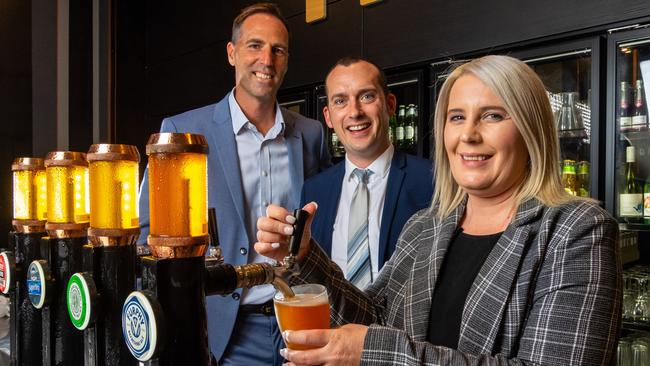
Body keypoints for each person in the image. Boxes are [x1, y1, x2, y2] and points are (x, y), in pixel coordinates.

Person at [256, 55, 621, 365]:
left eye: (492, 116)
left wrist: (378, 353)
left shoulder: (577, 230)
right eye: (457, 117)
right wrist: (305, 256)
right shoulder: (426, 226)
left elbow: (375, 345)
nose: (469, 135)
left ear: (531, 128)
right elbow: (374, 319)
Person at [137, 3, 331, 365]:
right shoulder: (183, 133)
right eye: (254, 46)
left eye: (278, 49)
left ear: (287, 60)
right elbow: (146, 232)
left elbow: (324, 225)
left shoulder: (310, 134)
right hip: (228, 328)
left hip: (301, 316)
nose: (267, 59)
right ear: (232, 53)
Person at [300, 57, 433, 289]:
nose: (355, 112)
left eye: (367, 96)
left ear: (390, 105)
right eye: (340, 101)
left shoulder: (432, 180)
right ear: (329, 117)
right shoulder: (314, 190)